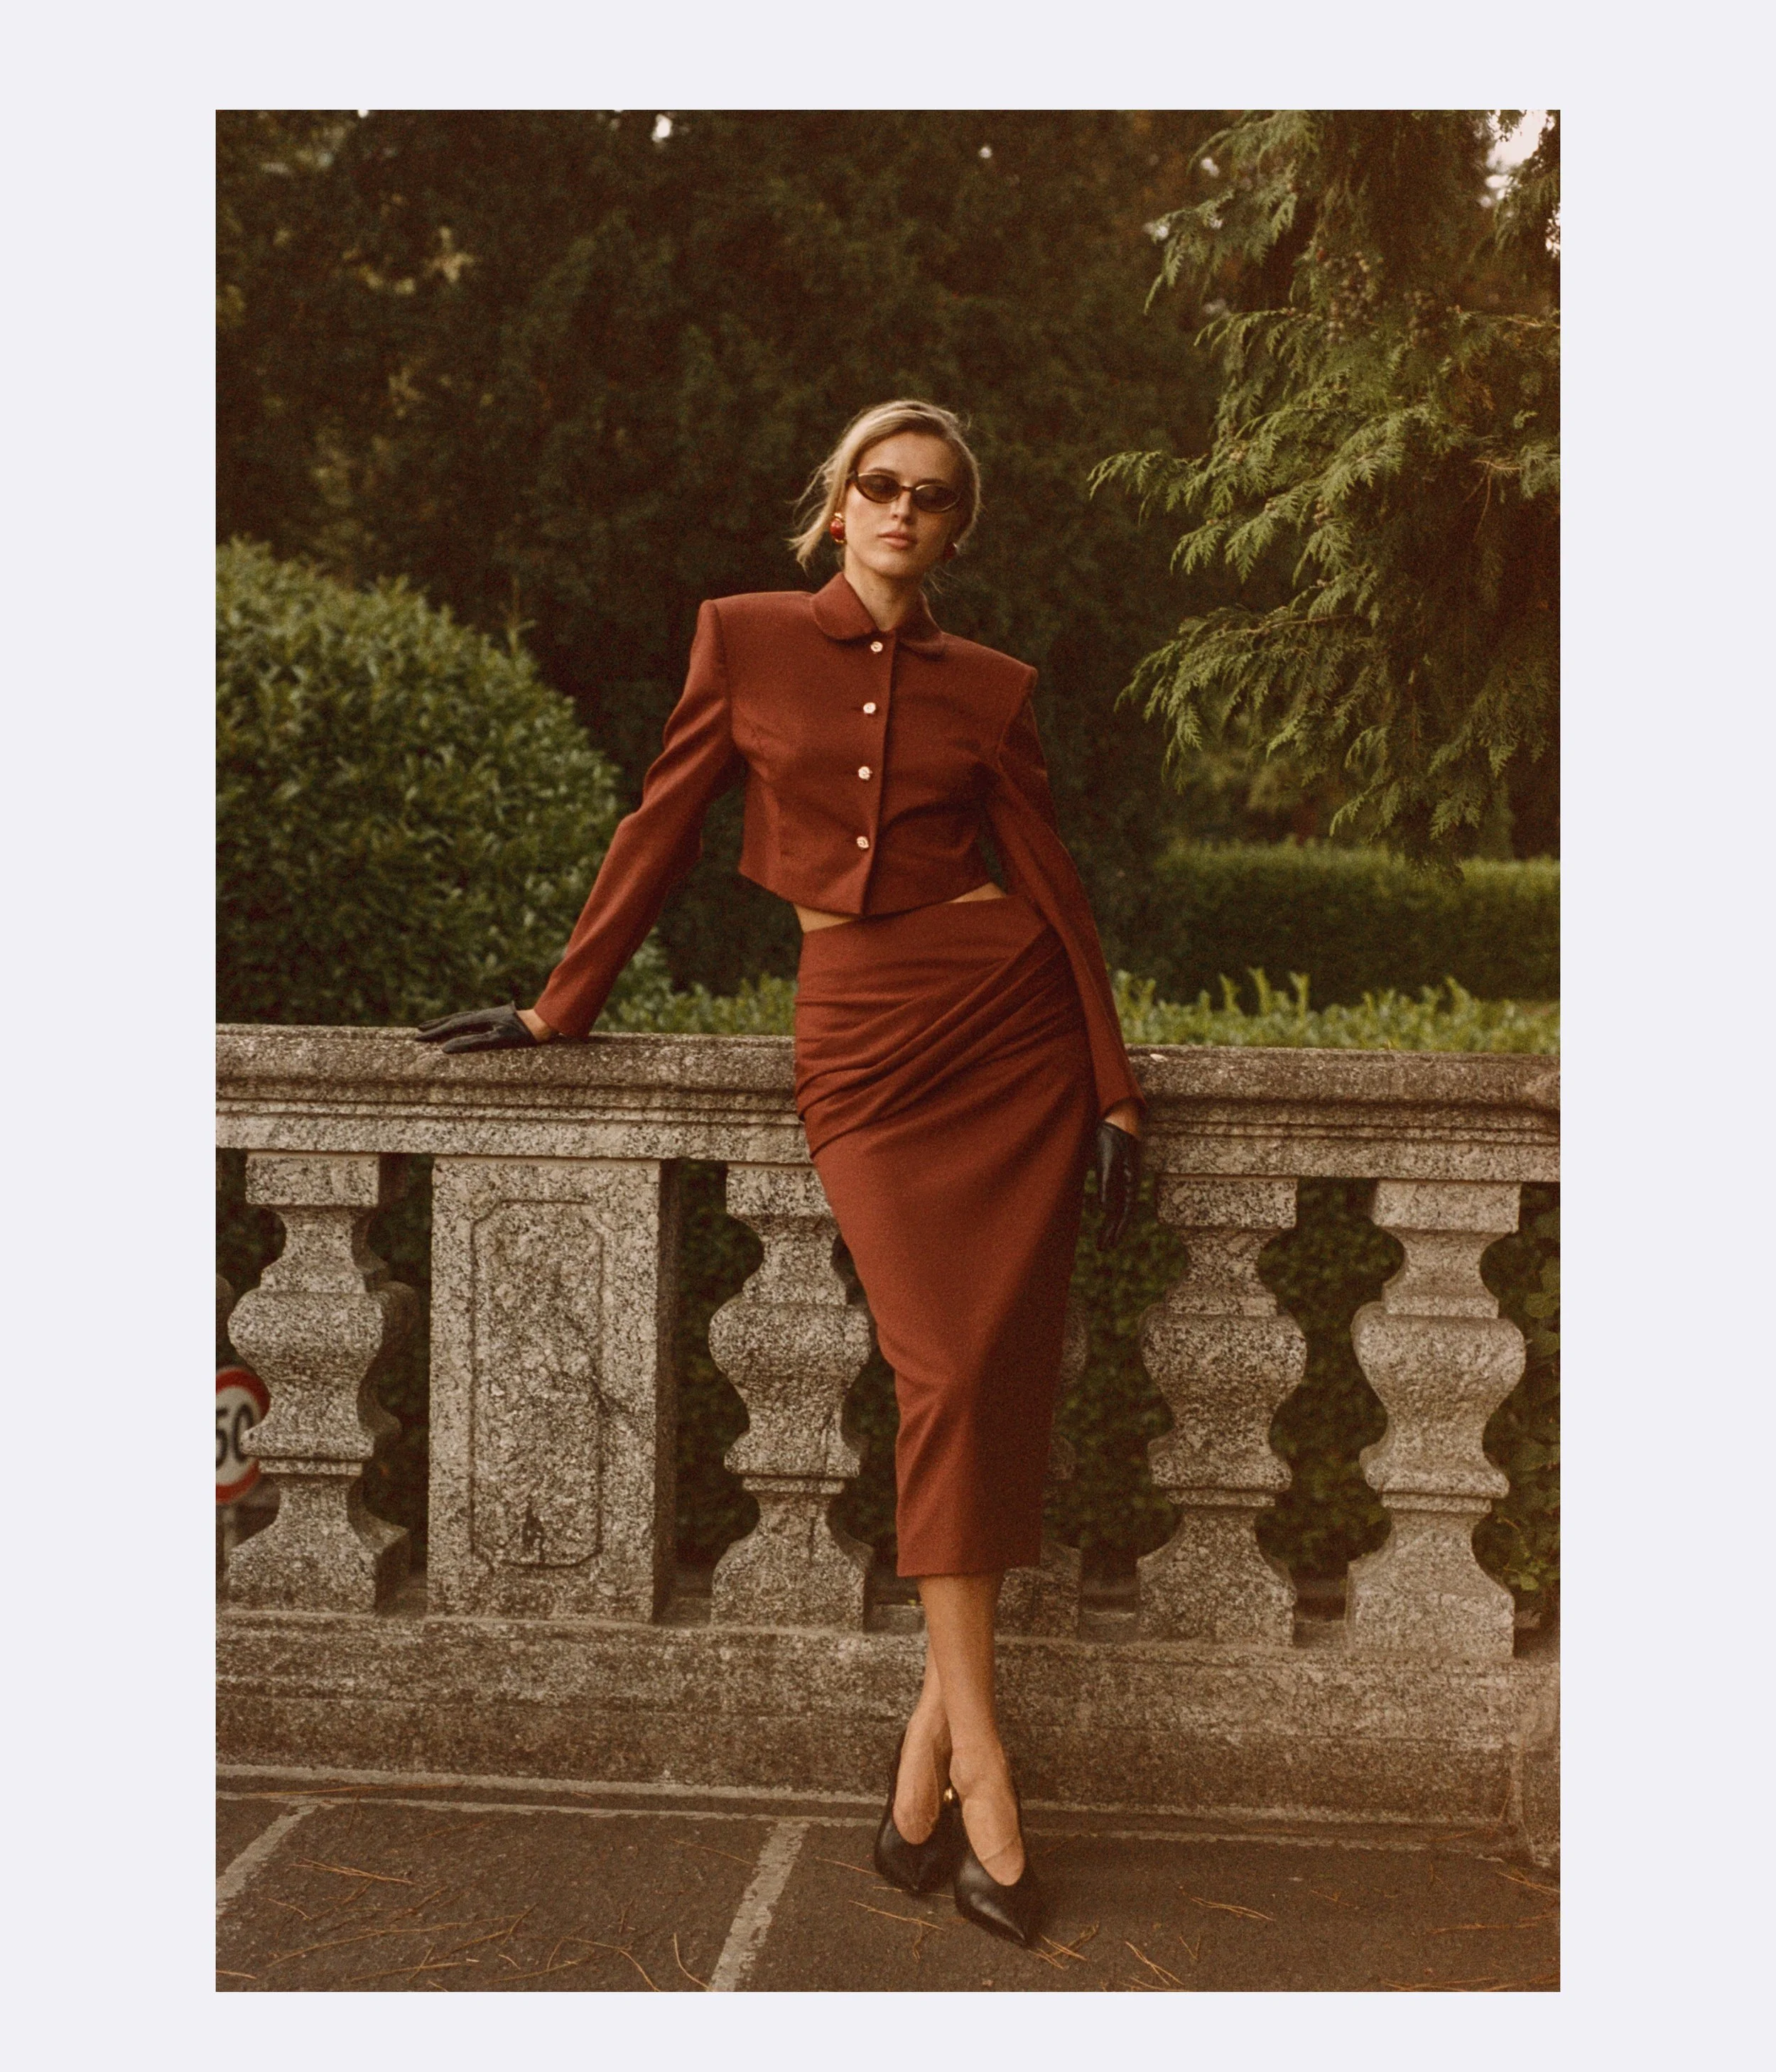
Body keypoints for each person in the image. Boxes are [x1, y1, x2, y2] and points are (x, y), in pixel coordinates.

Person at [418, 399, 1145, 1948]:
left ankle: (928, 1802)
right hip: (863, 1048)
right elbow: (664, 820)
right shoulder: (742, 638)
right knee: (940, 1367)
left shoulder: (992, 689)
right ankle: (974, 1774)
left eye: (930, 497)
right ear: (833, 505)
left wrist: (1114, 1085)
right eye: (876, 486)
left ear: (957, 529)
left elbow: (1052, 883)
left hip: (1001, 1024)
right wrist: (563, 1004)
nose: (898, 510)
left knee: (983, 1381)